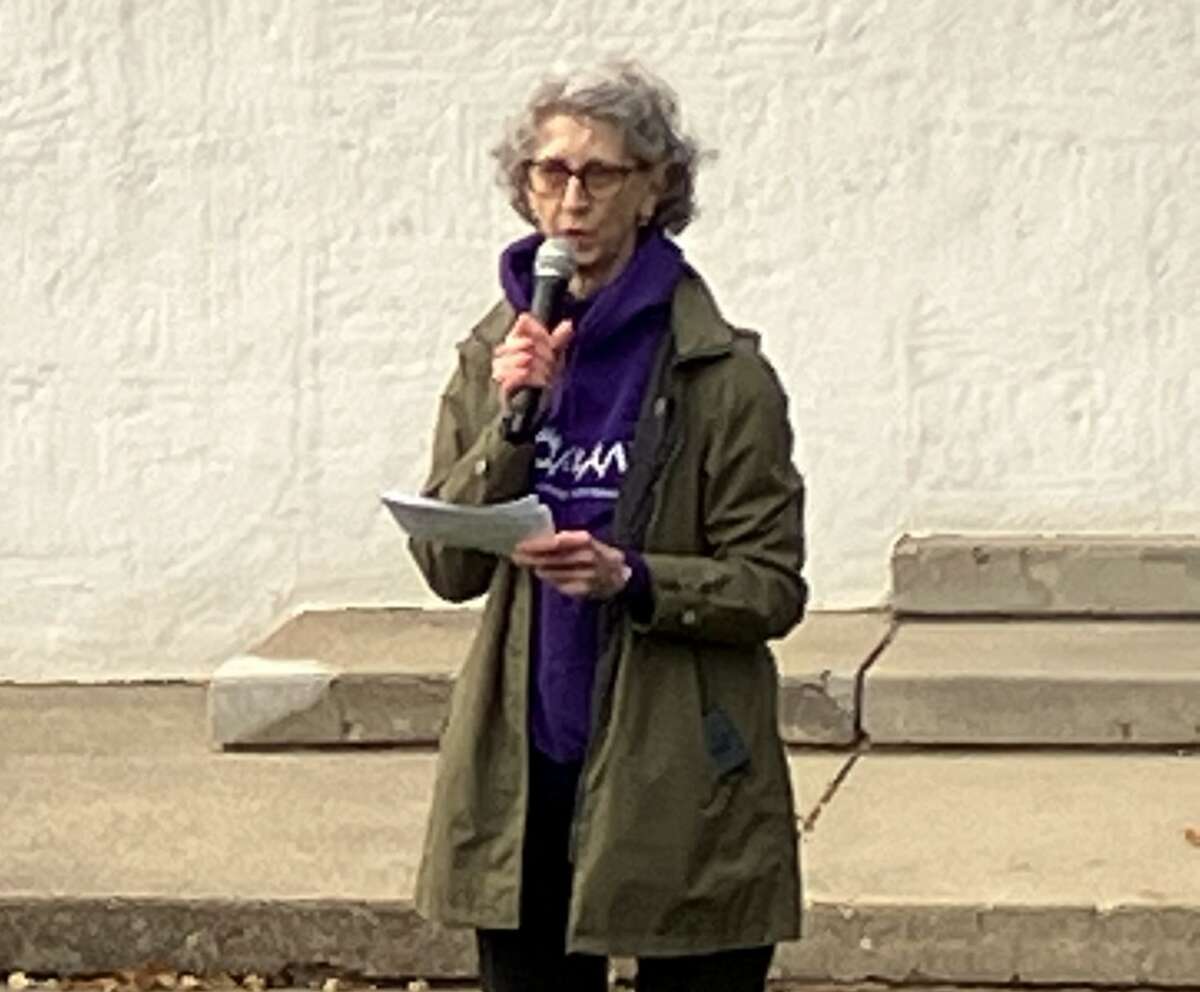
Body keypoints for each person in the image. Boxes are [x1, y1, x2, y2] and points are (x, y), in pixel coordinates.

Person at [409, 61, 808, 992]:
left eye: (601, 175)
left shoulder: (723, 375)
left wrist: (633, 578)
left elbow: (772, 584)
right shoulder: (495, 354)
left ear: (654, 188)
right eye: (551, 173)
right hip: (526, 758)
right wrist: (514, 422)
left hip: (678, 771)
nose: (572, 199)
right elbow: (447, 564)